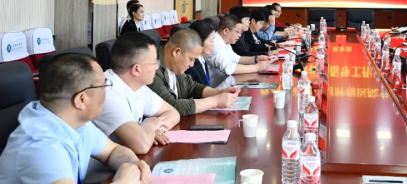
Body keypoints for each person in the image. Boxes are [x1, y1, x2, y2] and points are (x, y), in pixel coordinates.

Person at [0, 53, 151, 183]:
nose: (107, 91)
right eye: (104, 85)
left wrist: (132, 164)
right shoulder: (41, 148)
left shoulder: (74, 121)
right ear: (82, 99)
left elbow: (113, 151)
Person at [94, 32, 180, 154]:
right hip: (101, 165)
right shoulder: (107, 92)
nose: (157, 67)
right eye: (154, 63)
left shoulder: (137, 85)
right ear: (136, 69)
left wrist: (150, 132)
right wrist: (149, 125)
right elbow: (141, 146)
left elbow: (173, 113)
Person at [148, 29, 238, 116]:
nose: (192, 65)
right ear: (177, 52)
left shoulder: (173, 64)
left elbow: (191, 87)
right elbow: (170, 106)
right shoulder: (151, 69)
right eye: (191, 59)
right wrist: (215, 101)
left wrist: (218, 92)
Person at [204, 14, 272, 85]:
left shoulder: (225, 41)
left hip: (228, 82)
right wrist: (256, 67)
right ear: (226, 31)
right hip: (217, 88)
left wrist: (256, 59)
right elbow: (228, 68)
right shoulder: (214, 43)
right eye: (237, 32)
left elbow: (236, 58)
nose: (240, 35)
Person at [186, 19, 217, 86]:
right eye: (211, 40)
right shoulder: (190, 66)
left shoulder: (201, 59)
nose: (213, 44)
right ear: (199, 41)